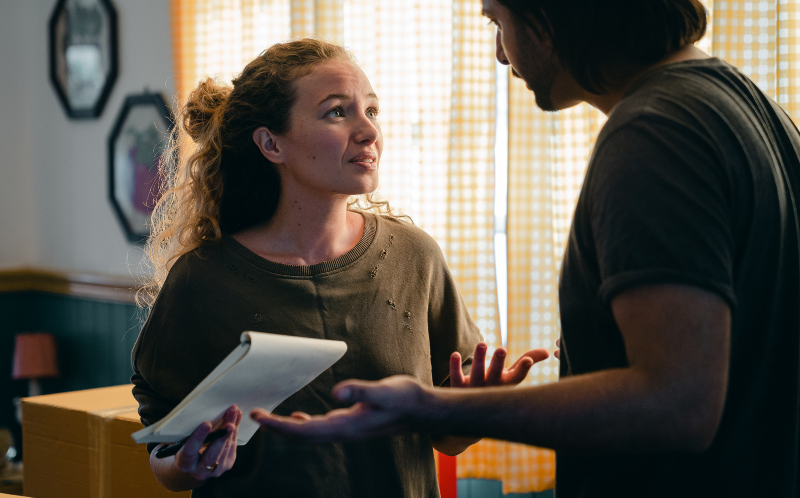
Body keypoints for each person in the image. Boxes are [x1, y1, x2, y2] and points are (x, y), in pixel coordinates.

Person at [252, 2, 800, 497]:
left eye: (498, 22)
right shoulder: (752, 106)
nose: (498, 53)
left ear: (550, 17)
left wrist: (427, 405)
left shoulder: (655, 133)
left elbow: (680, 404)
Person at [131, 38, 548, 498]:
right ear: (271, 143)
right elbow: (164, 450)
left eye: (372, 110)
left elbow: (446, 440)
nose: (368, 131)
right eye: (337, 112)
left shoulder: (415, 257)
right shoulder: (202, 281)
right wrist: (189, 465)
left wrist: (475, 408)